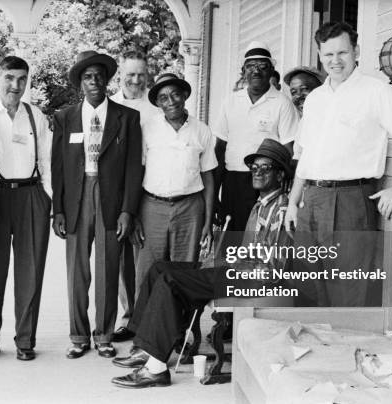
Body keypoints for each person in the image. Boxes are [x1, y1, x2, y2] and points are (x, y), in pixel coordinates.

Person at [110, 138, 293, 388]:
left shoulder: (281, 210)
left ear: (281, 175)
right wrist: (220, 259)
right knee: (160, 268)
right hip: (237, 271)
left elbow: (273, 269)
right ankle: (145, 347)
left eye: (266, 168)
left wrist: (229, 265)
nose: (257, 172)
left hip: (251, 281)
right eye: (255, 167)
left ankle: (155, 369)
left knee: (170, 281)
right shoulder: (261, 204)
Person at [284, 22, 392, 306]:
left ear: (356, 51)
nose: (335, 61)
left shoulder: (375, 91)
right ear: (320, 56)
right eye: (328, 55)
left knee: (346, 290)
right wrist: (292, 203)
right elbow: (305, 154)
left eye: (342, 53)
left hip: (350, 202)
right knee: (310, 288)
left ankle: (345, 349)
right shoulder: (316, 99)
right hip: (311, 201)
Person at [52, 50, 143, 359]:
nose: (94, 81)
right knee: (77, 272)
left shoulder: (127, 117)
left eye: (99, 76)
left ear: (107, 80)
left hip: (110, 201)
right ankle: (78, 336)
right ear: (80, 82)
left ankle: (103, 335)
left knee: (107, 269)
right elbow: (58, 167)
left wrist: (127, 210)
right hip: (77, 199)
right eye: (88, 76)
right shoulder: (64, 117)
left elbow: (133, 168)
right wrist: (59, 210)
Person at [0, 56, 52, 362]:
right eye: (9, 77)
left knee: (30, 272)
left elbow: (47, 161)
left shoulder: (36, 116)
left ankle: (25, 340)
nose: (15, 85)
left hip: (31, 195)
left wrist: (49, 201)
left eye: (21, 79)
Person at [130, 72, 217, 311]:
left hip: (190, 208)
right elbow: (136, 172)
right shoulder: (147, 128)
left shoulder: (202, 130)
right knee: (147, 269)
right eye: (164, 97)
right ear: (158, 103)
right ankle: (142, 329)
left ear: (185, 96)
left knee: (185, 270)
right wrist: (134, 214)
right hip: (152, 207)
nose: (171, 102)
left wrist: (208, 222)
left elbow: (209, 176)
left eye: (175, 94)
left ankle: (179, 331)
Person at [214, 41, 299, 233]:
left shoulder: (282, 103)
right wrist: (214, 194)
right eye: (251, 66)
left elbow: (290, 150)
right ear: (243, 71)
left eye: (263, 66)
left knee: (259, 238)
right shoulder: (230, 101)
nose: (256, 71)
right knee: (231, 239)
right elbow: (220, 148)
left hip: (266, 181)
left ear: (271, 71)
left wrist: (287, 180)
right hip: (232, 181)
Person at [110, 50, 160, 343]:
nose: (136, 80)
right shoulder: (110, 105)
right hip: (115, 191)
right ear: (120, 74)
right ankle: (127, 318)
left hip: (146, 188)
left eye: (141, 74)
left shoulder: (154, 111)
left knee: (143, 258)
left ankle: (144, 317)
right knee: (120, 262)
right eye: (130, 74)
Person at [283, 66, 325, 160]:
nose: (298, 96)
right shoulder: (304, 120)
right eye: (293, 92)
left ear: (321, 89)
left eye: (304, 89)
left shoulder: (330, 119)